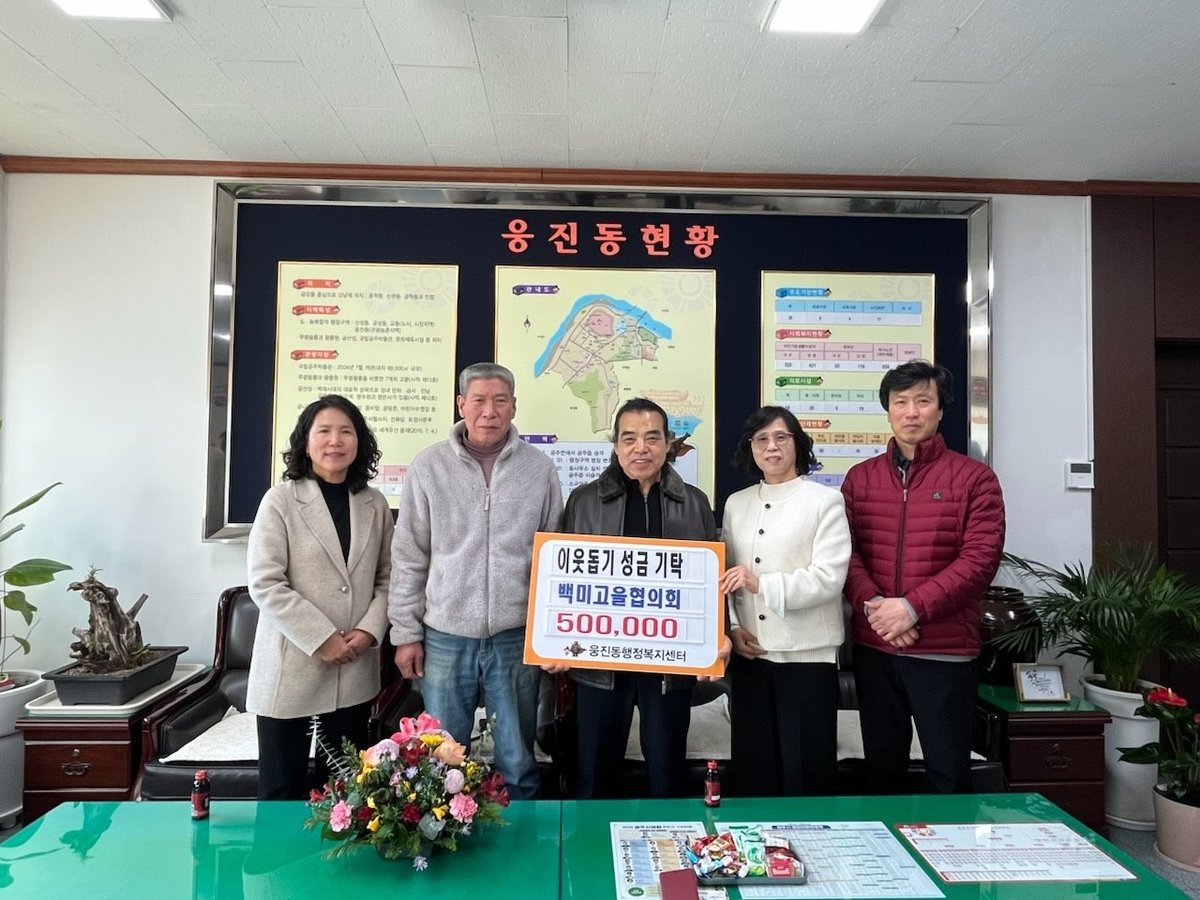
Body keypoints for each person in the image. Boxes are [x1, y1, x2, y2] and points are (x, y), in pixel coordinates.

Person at [388, 363, 562, 800]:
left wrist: (552, 635)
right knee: (441, 760)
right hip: (445, 636)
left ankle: (521, 839)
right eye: (479, 401)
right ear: (461, 404)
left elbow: (554, 558)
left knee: (518, 761)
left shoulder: (539, 470)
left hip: (515, 636)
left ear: (514, 406)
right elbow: (409, 556)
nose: (489, 411)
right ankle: (450, 838)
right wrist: (406, 633)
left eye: (500, 401)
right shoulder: (428, 467)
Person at [841, 360, 1005, 793]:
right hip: (875, 648)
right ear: (888, 410)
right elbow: (846, 554)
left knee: (948, 774)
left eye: (923, 401)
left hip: (943, 652)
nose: (911, 412)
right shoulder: (860, 479)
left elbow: (980, 560)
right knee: (882, 774)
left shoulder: (975, 479)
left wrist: (912, 609)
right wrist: (877, 609)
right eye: (901, 402)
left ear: (940, 409)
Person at [559, 397, 717, 799]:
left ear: (669, 443)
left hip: (669, 665)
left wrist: (718, 641)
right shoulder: (583, 500)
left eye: (652, 437)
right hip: (600, 663)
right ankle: (593, 840)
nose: (640, 448)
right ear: (615, 445)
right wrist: (555, 643)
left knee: (666, 776)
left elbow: (710, 583)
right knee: (594, 778)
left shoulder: (695, 503)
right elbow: (562, 582)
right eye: (629, 438)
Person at [246, 395, 394, 799]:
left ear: (360, 441)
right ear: (305, 441)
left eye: (346, 431)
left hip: (354, 665)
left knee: (347, 795)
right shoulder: (280, 500)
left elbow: (388, 577)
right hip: (292, 665)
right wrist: (322, 638)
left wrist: (369, 630)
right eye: (324, 431)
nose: (335, 441)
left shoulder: (374, 503)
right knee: (281, 791)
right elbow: (265, 582)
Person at [721, 406, 850, 796]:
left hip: (806, 658)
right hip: (751, 656)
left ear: (798, 443)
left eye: (781, 437)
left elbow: (829, 578)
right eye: (761, 439)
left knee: (806, 773)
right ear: (750, 448)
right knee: (754, 771)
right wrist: (734, 627)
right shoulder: (736, 503)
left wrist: (762, 584)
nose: (771, 447)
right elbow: (726, 574)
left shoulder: (825, 501)